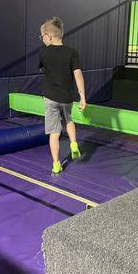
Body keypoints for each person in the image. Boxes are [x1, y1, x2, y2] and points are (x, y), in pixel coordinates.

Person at [38, 17, 86, 174]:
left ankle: (56, 164)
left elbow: (42, 69)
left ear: (49, 36)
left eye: (42, 37)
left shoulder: (44, 52)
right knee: (68, 120)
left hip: (50, 97)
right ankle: (73, 143)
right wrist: (83, 97)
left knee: (54, 132)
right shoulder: (72, 52)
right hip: (67, 97)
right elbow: (78, 75)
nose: (42, 40)